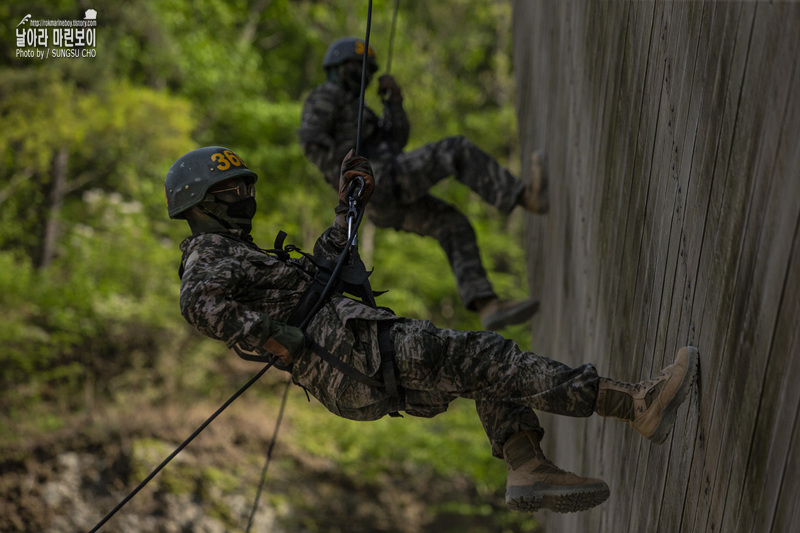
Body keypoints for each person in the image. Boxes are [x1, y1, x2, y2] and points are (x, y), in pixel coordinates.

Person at [165, 145, 700, 514]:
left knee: (482, 376)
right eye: (230, 191)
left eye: (243, 187)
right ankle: (633, 404)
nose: (244, 198)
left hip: (352, 364)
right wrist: (269, 335)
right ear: (200, 203)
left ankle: (526, 465)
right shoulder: (208, 254)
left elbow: (322, 274)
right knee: (487, 358)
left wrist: (349, 203)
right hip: (355, 352)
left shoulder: (241, 254)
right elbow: (198, 305)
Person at [297, 37, 549, 331]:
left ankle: (487, 305)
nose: (363, 74)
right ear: (337, 68)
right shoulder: (328, 94)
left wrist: (394, 103)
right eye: (356, 66)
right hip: (380, 179)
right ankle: (525, 196)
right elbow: (311, 138)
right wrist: (348, 177)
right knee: (455, 150)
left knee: (452, 224)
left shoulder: (356, 108)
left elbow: (395, 140)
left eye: (367, 70)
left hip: (379, 199)